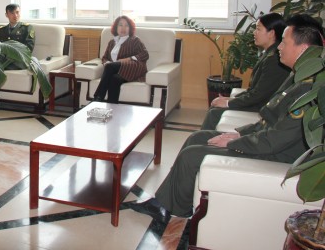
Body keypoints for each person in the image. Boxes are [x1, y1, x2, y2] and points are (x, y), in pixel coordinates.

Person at [126, 14, 324, 223]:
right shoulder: (297, 76)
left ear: (303, 48)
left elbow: (274, 141)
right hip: (267, 142)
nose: (280, 47)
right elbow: (270, 120)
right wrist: (239, 133)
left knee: (192, 155)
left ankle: (173, 208)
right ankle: (167, 200)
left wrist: (234, 141)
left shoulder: (309, 90)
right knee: (196, 138)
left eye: (284, 42)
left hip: (276, 155)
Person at [201, 12, 290, 130]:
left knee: (214, 113)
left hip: (263, 107)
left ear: (271, 33)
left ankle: (204, 140)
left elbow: (258, 95)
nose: (254, 32)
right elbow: (255, 90)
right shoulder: (270, 54)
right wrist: (230, 99)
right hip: (259, 102)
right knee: (215, 108)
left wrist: (228, 103)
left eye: (258, 29)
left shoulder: (274, 59)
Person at [93, 15, 149, 103]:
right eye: (120, 25)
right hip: (118, 71)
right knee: (114, 79)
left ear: (130, 28)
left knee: (109, 67)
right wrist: (107, 63)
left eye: (126, 25)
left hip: (133, 68)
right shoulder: (112, 42)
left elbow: (145, 54)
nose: (123, 28)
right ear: (116, 27)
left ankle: (98, 98)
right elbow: (104, 58)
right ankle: (112, 106)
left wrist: (129, 59)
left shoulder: (134, 40)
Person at [0, 3, 35, 69]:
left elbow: (29, 48)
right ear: (6, 15)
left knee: (1, 67)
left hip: (20, 59)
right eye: (12, 13)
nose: (15, 15)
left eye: (17, 12)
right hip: (4, 59)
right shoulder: (1, 30)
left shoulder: (27, 28)